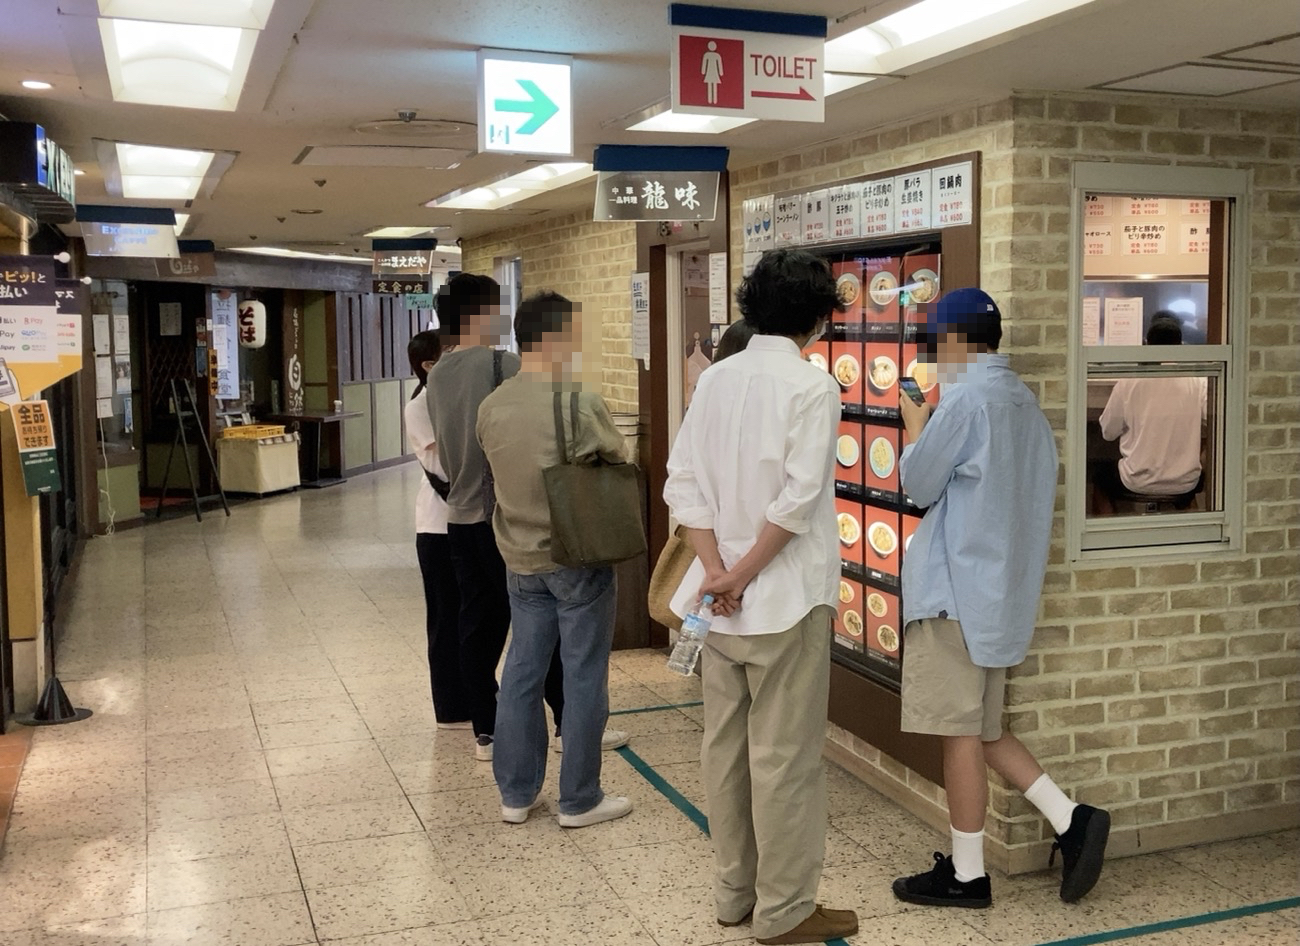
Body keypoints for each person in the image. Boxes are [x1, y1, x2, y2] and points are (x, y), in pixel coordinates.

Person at [892, 287, 1110, 910]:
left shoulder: (963, 400)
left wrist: (916, 427)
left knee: (958, 733)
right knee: (985, 730)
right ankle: (1072, 819)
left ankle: (966, 875)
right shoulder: (1024, 403)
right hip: (1000, 598)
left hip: (953, 595)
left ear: (953, 342)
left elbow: (918, 482)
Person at [664, 248, 858, 946]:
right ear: (817, 317)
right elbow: (799, 500)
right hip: (785, 601)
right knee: (784, 758)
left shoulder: (714, 381)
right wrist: (743, 575)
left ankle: (733, 894)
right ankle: (785, 913)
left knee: (725, 749)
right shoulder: (812, 387)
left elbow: (681, 479)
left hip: (717, 609)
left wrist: (717, 572)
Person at [427, 274, 628, 762]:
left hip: (461, 515)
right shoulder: (507, 367)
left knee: (483, 630)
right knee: (557, 646)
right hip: (524, 520)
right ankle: (570, 729)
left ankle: (488, 732)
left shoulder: (436, 374)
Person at [477, 290, 633, 828]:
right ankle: (580, 798)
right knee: (583, 672)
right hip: (577, 554)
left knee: (522, 670)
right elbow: (618, 456)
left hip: (519, 557)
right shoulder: (577, 399)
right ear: (560, 337)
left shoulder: (493, 405)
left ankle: (516, 795)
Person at [404, 331, 469, 730]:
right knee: (445, 618)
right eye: (448, 352)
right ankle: (450, 705)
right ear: (429, 366)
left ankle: (474, 691)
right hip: (437, 526)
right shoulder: (421, 404)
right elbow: (444, 466)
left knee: (470, 615)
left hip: (464, 521)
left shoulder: (453, 397)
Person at [1098, 313, 1207, 506]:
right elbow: (1214, 421)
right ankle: (1192, 529)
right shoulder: (1198, 382)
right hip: (1187, 482)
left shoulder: (1129, 382)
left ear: (1146, 345)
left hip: (1136, 481)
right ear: (1181, 347)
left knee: (1098, 476)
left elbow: (1108, 433)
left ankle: (1111, 533)